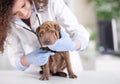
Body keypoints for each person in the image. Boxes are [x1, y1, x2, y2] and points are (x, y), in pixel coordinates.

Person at [0, 0, 89, 71]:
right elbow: (14, 56)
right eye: (14, 13)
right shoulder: (9, 25)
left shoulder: (52, 3)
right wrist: (28, 59)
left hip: (65, 67)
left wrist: (73, 45)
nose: (23, 13)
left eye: (23, 5)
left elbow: (78, 32)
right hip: (39, 69)